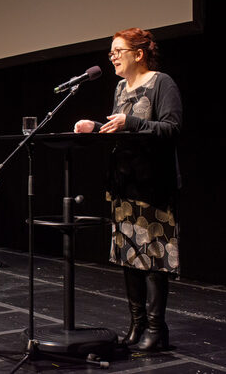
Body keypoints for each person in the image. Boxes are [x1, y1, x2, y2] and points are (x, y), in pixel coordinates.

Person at [74, 28, 182, 351]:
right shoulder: (121, 88)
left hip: (153, 186)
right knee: (129, 256)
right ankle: (136, 325)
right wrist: (96, 128)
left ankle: (155, 329)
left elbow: (172, 128)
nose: (112, 57)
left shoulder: (162, 83)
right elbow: (120, 129)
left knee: (152, 258)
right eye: (110, 52)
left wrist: (130, 123)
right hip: (124, 184)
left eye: (117, 50)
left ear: (138, 53)